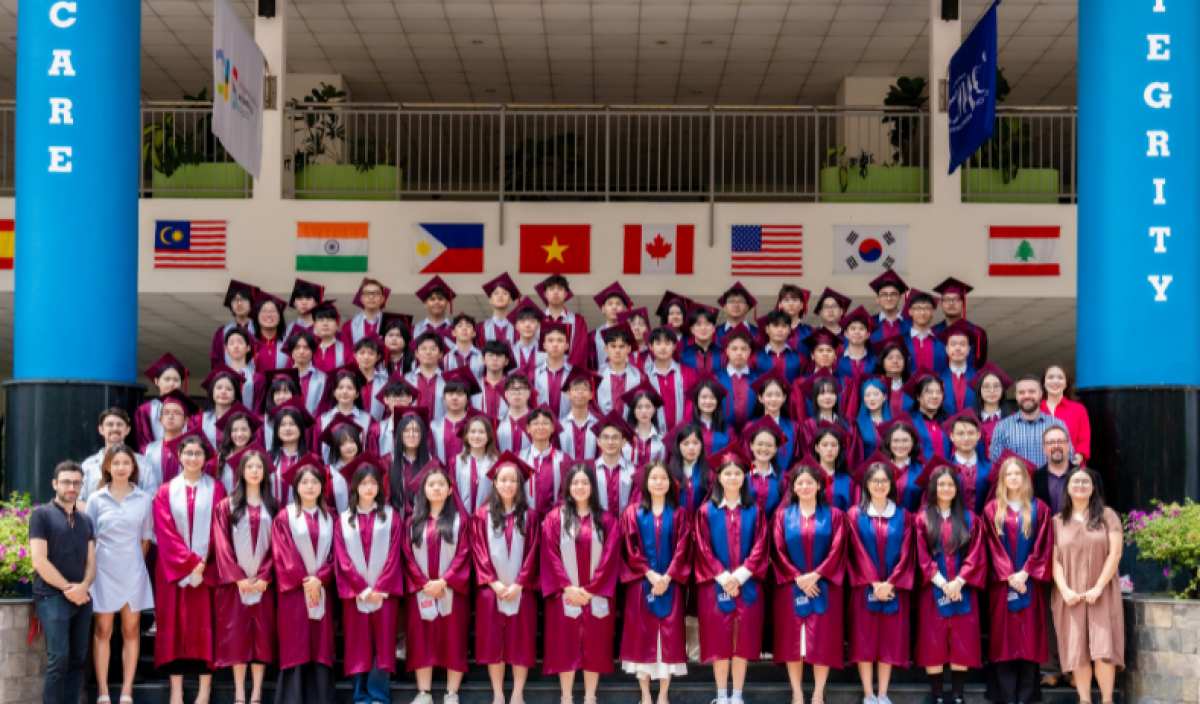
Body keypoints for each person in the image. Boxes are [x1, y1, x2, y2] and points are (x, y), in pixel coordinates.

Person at [152, 433, 226, 704]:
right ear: (179, 456)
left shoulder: (217, 489)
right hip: (173, 569)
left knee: (206, 623)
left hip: (208, 568)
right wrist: (190, 561)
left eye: (198, 453)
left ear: (206, 458)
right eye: (188, 453)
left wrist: (203, 560)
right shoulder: (165, 491)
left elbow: (220, 527)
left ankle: (204, 691)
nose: (193, 458)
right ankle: (176, 691)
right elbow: (164, 531)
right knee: (174, 624)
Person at [692, 446, 769, 704]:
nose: (733, 477)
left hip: (747, 586)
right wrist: (725, 577)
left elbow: (761, 546)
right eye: (728, 473)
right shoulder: (706, 511)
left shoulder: (755, 511)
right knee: (719, 642)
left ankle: (737, 695)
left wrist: (741, 575)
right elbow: (702, 548)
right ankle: (721, 695)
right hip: (715, 587)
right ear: (719, 478)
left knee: (742, 642)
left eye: (738, 473)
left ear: (745, 478)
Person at [541, 463, 622, 704]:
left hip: (596, 594)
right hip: (564, 594)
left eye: (584, 482)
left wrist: (591, 589)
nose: (580, 487)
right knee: (564, 645)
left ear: (592, 487)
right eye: (575, 483)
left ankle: (590, 697)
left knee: (595, 645)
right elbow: (551, 555)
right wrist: (568, 587)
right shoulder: (555, 519)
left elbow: (610, 557)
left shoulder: (606, 520)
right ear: (567, 487)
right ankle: (566, 697)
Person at [770, 463, 848, 704]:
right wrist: (797, 577)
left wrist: (817, 574)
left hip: (824, 587)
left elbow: (838, 549)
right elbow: (777, 550)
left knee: (822, 641)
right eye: (800, 483)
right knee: (793, 642)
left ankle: (817, 694)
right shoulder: (782, 517)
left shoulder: (835, 516)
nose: (805, 486)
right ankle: (797, 693)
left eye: (810, 482)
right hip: (790, 587)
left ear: (819, 485)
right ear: (793, 487)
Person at [619, 460, 693, 704]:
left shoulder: (680, 514)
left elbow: (683, 549)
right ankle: (645, 695)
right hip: (641, 585)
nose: (658, 482)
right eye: (653, 478)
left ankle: (662, 695)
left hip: (671, 585)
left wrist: (668, 576)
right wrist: (650, 574)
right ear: (646, 482)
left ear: (670, 482)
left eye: (663, 478)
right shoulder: (632, 513)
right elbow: (630, 548)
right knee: (642, 637)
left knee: (667, 640)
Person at [470, 453, 541, 704]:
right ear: (495, 483)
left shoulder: (531, 517)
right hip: (491, 591)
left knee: (522, 641)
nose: (508, 484)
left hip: (522, 591)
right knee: (493, 643)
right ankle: (498, 694)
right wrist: (494, 583)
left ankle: (517, 694)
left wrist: (520, 583)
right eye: (503, 480)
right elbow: (479, 552)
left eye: (513, 480)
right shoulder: (482, 516)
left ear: (520, 485)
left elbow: (533, 553)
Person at [913, 461, 986, 704]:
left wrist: (959, 582)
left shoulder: (970, 519)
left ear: (957, 489)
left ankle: (957, 696)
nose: (946, 488)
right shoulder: (921, 519)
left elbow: (976, 554)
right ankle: (937, 696)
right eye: (941, 484)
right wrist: (943, 583)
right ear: (933, 488)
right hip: (933, 590)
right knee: (933, 640)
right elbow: (921, 556)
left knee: (962, 640)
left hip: (962, 589)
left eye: (950, 484)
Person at [335, 456, 406, 704]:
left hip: (384, 594)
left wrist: (381, 587)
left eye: (373, 483)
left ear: (380, 486)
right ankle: (360, 695)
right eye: (363, 482)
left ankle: (378, 695)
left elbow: (395, 554)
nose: (368, 487)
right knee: (357, 644)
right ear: (355, 485)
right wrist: (361, 589)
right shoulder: (344, 519)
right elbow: (342, 558)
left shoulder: (391, 516)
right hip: (355, 594)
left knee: (383, 644)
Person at [86, 446, 155, 704]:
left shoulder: (143, 499)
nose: (121, 467)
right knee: (103, 630)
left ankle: (127, 692)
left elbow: (146, 539)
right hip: (103, 570)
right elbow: (89, 539)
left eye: (126, 462)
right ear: (107, 466)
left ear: (133, 467)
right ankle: (103, 692)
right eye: (116, 463)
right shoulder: (96, 499)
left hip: (133, 570)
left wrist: (134, 563)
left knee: (131, 630)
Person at [983, 454, 1053, 704]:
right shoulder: (992, 510)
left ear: (1025, 477)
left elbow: (1044, 544)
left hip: (1030, 583)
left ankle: (1025, 698)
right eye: (1008, 474)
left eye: (1017, 474)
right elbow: (991, 546)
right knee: (1004, 640)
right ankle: (1006, 698)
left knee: (1030, 639)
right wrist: (1009, 575)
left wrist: (1025, 572)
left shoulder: (1039, 508)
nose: (1013, 478)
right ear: (1002, 479)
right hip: (1002, 586)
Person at [212, 447, 279, 704]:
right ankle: (239, 692)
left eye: (259, 467)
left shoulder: (273, 506)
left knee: (261, 637)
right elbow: (221, 545)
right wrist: (237, 577)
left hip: (263, 584)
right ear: (241, 471)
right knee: (237, 637)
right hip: (235, 585)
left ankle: (257, 692)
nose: (254, 471)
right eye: (249, 466)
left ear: (265, 472)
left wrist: (264, 575)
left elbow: (279, 546)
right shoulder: (225, 506)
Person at [1051, 466, 1124, 704]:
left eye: (1086, 482)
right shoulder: (1057, 522)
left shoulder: (1108, 516)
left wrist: (1099, 587)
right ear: (1067, 488)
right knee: (1077, 649)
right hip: (1070, 594)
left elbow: (1115, 554)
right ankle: (1084, 700)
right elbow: (1054, 561)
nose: (1080, 485)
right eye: (1076, 481)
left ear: (1093, 488)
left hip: (1102, 592)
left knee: (1103, 649)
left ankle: (1107, 700)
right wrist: (1064, 590)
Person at [402, 464, 473, 704]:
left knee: (454, 638)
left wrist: (445, 581)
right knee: (421, 639)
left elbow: (464, 553)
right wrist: (424, 583)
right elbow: (407, 556)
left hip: (452, 590)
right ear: (423, 489)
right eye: (431, 484)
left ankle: (452, 693)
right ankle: (424, 693)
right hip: (421, 591)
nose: (436, 488)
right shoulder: (412, 522)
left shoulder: (461, 521)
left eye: (441, 484)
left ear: (450, 489)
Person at [846, 461, 915, 704]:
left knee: (889, 639)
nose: (879, 485)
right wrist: (874, 582)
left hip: (893, 588)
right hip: (864, 588)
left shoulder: (904, 516)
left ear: (891, 484)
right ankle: (868, 694)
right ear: (866, 484)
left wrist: (891, 582)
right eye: (874, 480)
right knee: (864, 639)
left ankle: (883, 694)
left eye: (884, 480)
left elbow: (908, 552)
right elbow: (855, 550)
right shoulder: (854, 515)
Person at [271, 460, 337, 704]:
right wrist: (306, 581)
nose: (310, 486)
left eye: (315, 482)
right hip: (294, 593)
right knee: (295, 643)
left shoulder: (331, 517)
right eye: (305, 482)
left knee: (320, 644)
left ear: (322, 486)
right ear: (296, 487)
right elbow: (283, 553)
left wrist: (321, 578)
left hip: (321, 591)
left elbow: (337, 554)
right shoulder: (284, 517)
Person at [30, 461, 96, 704]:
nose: (71, 487)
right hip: (52, 597)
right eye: (66, 482)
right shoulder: (41, 515)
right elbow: (39, 561)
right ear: (54, 484)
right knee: (58, 660)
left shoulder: (86, 520)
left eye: (76, 483)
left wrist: (84, 586)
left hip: (82, 599)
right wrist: (69, 589)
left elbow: (91, 563)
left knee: (77, 661)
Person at [988, 375, 1072, 468]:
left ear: (1040, 394)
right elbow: (995, 462)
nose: (1027, 396)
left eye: (1032, 391)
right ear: (1016, 396)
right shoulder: (1002, 427)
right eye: (1022, 392)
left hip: (1048, 477)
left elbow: (1069, 457)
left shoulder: (1057, 425)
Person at [80, 408, 157, 503]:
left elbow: (152, 498)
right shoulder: (88, 466)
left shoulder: (144, 464)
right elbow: (79, 500)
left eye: (119, 424)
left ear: (127, 430)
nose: (115, 428)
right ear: (101, 430)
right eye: (110, 425)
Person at [135, 352, 189, 452]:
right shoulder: (146, 409)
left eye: (176, 380)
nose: (172, 383)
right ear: (156, 381)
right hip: (154, 457)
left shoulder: (188, 408)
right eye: (167, 379)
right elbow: (143, 442)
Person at [645, 327, 695, 433]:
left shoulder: (687, 373)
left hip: (683, 434)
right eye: (658, 343)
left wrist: (683, 428)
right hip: (654, 435)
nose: (663, 347)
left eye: (667, 343)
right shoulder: (645, 377)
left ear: (674, 346)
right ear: (650, 346)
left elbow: (692, 403)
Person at [932, 277, 989, 366]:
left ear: (963, 303)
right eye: (946, 300)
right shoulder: (932, 333)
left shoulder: (978, 333)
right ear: (941, 304)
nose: (951, 303)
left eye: (956, 299)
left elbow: (980, 365)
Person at [537, 274, 591, 368]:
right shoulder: (536, 319)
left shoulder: (578, 320)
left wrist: (570, 372)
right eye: (551, 289)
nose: (556, 292)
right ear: (545, 294)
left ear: (566, 294)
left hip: (568, 372)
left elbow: (580, 350)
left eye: (560, 289)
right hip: (540, 372)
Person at [1041, 364, 1091, 465]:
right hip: (1040, 467)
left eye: (1060, 377)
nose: (1055, 381)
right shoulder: (1036, 410)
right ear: (1044, 382)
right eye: (1050, 377)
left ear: (1066, 383)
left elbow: (1084, 442)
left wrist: (1074, 463)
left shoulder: (1078, 409)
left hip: (1072, 468)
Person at [596, 324, 645, 415]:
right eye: (613, 346)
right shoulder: (597, 376)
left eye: (622, 346)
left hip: (630, 422)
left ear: (629, 349)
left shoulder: (639, 376)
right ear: (606, 349)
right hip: (604, 422)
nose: (617, 351)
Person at [455, 416, 498, 514]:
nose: (477, 436)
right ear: (466, 435)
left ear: (489, 436)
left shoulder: (497, 463)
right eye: (473, 431)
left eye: (482, 432)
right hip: (461, 518)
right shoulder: (456, 462)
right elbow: (453, 493)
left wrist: (483, 516)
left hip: (488, 517)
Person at [212, 280, 260, 366]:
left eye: (244, 299)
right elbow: (216, 362)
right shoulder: (222, 332)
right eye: (235, 300)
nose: (239, 303)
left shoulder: (262, 330)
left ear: (251, 302)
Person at [969, 362, 1012, 458]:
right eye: (986, 386)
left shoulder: (1014, 420)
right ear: (979, 390)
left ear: (1002, 390)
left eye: (996, 386)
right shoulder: (969, 421)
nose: (991, 390)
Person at [666, 424, 711, 514]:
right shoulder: (669, 474)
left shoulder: (710, 474)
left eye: (695, 443)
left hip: (702, 521)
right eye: (686, 443)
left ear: (702, 445)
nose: (691, 448)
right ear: (678, 446)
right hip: (676, 521)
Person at [533, 321, 574, 418]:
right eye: (550, 341)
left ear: (567, 346)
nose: (555, 344)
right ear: (544, 345)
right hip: (541, 424)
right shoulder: (534, 374)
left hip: (567, 424)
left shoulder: (574, 374)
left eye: (560, 341)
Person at [559, 367, 600, 461]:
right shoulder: (560, 426)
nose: (580, 392)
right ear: (568, 394)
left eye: (584, 389)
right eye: (576, 389)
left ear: (591, 395)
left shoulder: (598, 426)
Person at [589, 282, 633, 370]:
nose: (614, 307)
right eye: (610, 304)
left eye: (618, 304)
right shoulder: (593, 336)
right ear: (603, 309)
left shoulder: (632, 333)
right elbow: (590, 365)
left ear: (625, 309)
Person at [623, 384, 667, 470]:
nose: (644, 411)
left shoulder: (662, 439)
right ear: (633, 410)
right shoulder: (624, 439)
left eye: (648, 407)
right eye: (639, 407)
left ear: (654, 409)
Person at [689, 377, 736, 457]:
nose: (708, 401)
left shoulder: (728, 430)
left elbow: (734, 456)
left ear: (718, 401)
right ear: (696, 400)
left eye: (712, 397)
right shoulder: (687, 428)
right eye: (704, 397)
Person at [341, 278, 390, 346]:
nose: (371, 297)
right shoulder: (348, 326)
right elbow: (346, 350)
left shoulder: (391, 323)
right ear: (361, 299)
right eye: (367, 293)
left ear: (382, 299)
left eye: (376, 293)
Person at [478, 272, 521, 346]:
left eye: (504, 293)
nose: (500, 296)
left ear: (510, 300)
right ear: (490, 300)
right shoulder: (480, 328)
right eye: (496, 293)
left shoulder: (519, 328)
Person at [251, 292, 290, 372]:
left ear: (280, 317)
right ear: (257, 316)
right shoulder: (248, 343)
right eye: (264, 311)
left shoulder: (288, 344)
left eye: (273, 311)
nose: (268, 315)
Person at [679, 305, 722, 376]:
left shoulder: (723, 354)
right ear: (692, 329)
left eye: (707, 324)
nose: (703, 328)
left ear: (714, 328)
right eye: (698, 324)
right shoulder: (683, 355)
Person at [868, 271, 910, 341]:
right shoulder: (869, 323)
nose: (889, 298)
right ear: (878, 298)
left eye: (893, 294)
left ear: (900, 297)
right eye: (884, 295)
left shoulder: (911, 323)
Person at [444, 313, 484, 378]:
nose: (464, 328)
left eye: (468, 326)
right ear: (453, 333)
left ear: (474, 333)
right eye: (460, 326)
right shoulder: (446, 358)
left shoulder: (482, 357)